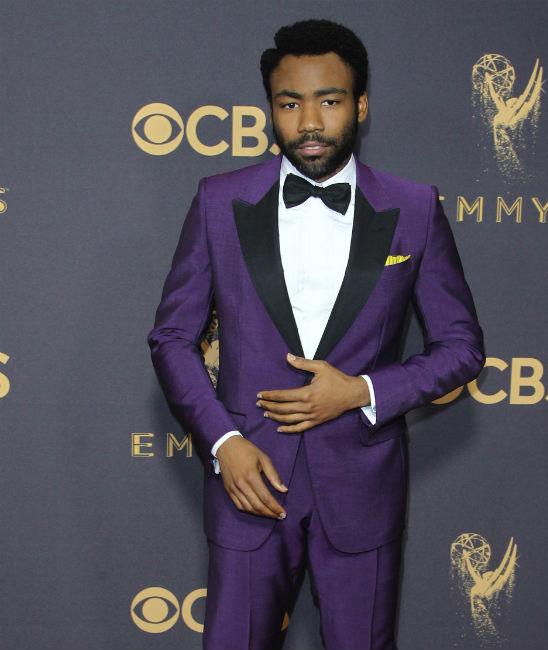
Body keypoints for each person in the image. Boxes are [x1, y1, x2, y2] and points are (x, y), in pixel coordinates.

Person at [147, 17, 485, 650]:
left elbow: (462, 348)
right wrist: (223, 442)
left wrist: (361, 391)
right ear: (270, 110)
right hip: (248, 481)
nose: (309, 122)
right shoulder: (218, 201)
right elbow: (172, 337)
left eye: (329, 101)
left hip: (363, 486)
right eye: (289, 103)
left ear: (361, 106)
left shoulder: (414, 208)